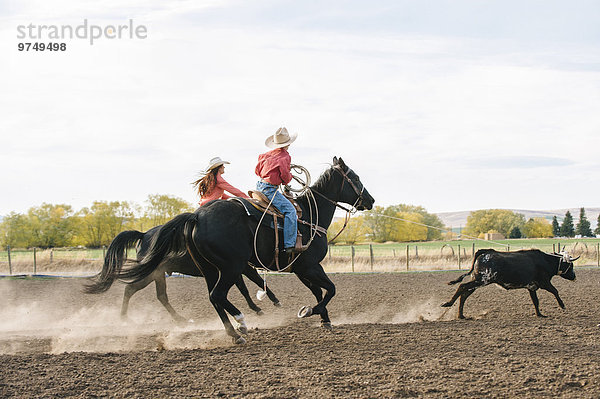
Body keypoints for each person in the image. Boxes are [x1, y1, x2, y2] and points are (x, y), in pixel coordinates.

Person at [255, 127, 303, 254]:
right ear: (288, 143)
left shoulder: (265, 155)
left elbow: (257, 171)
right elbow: (286, 178)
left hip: (259, 186)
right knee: (290, 211)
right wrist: (290, 176)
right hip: (270, 190)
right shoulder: (285, 156)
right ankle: (289, 245)